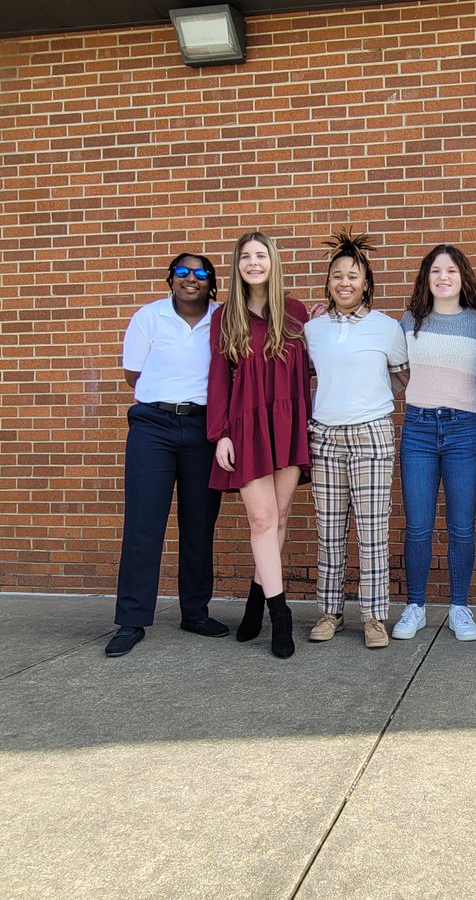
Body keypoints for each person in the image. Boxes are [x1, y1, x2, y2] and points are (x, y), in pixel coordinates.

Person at [105, 253, 228, 658]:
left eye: (200, 273)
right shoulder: (148, 317)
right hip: (153, 427)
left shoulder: (224, 318)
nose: (190, 278)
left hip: (203, 428)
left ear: (211, 282)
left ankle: (195, 612)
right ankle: (131, 619)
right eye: (182, 272)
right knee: (143, 524)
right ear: (170, 279)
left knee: (199, 524)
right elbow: (134, 375)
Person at [207, 231, 312, 659]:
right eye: (246, 256)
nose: (254, 262)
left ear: (273, 261)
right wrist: (220, 434)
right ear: (238, 264)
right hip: (246, 425)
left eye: (261, 255)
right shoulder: (224, 316)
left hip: (287, 422)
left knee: (281, 516)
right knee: (262, 521)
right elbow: (217, 378)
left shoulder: (296, 312)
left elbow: (306, 374)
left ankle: (256, 602)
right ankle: (280, 616)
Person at [303, 230, 409, 649]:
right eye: (337, 276)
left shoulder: (387, 327)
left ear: (366, 283)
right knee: (329, 530)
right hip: (325, 436)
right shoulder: (313, 329)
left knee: (372, 530)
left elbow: (401, 378)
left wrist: (368, 401)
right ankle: (329, 613)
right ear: (328, 283)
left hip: (371, 434)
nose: (344, 283)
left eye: (353, 276)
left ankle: (373, 617)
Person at [391, 244, 476, 642]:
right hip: (418, 428)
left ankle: (459, 606)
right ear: (426, 277)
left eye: (451, 270)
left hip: (464, 431)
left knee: (461, 526)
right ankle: (415, 606)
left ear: (462, 276)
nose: (443, 277)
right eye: (436, 270)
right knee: (418, 526)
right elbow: (398, 368)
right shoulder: (410, 321)